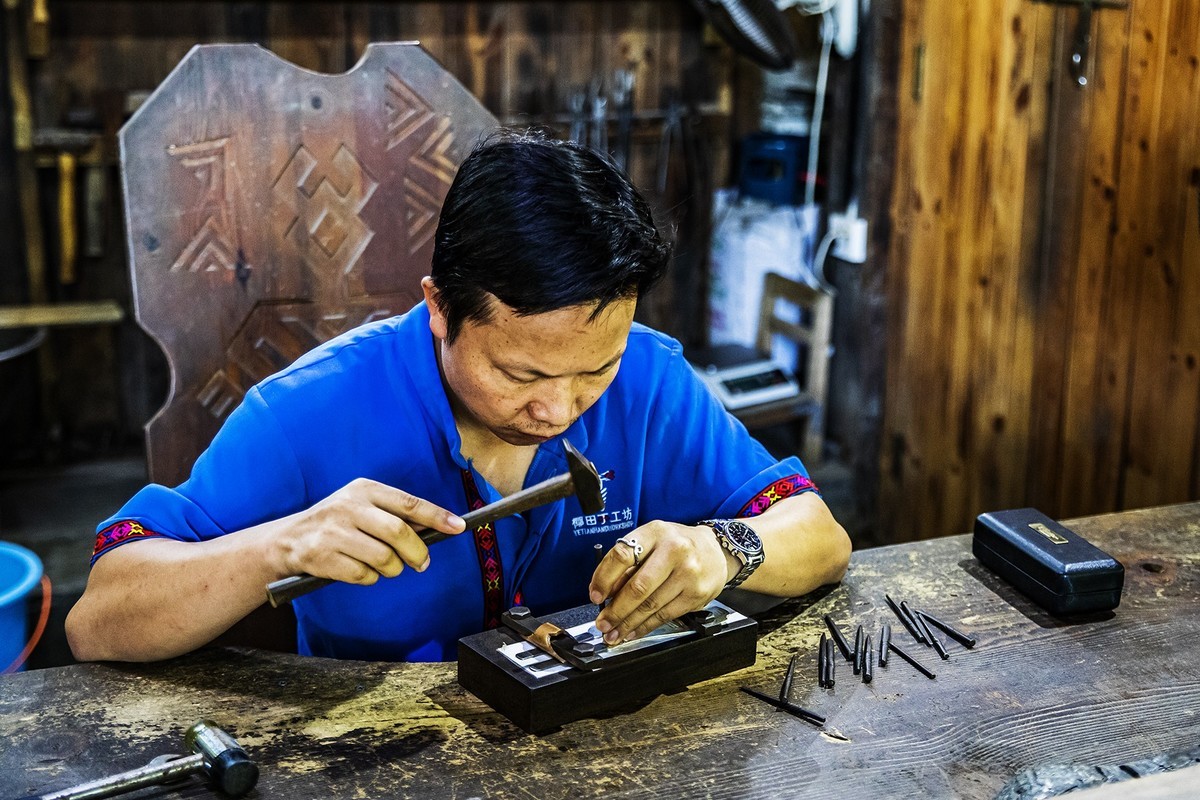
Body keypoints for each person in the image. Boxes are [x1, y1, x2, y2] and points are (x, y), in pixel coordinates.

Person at [66, 131, 850, 663]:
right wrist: (276, 546)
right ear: (441, 309)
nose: (561, 409)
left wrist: (728, 549)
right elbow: (99, 619)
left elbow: (821, 537)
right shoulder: (307, 413)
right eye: (521, 375)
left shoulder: (649, 376)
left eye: (593, 369)